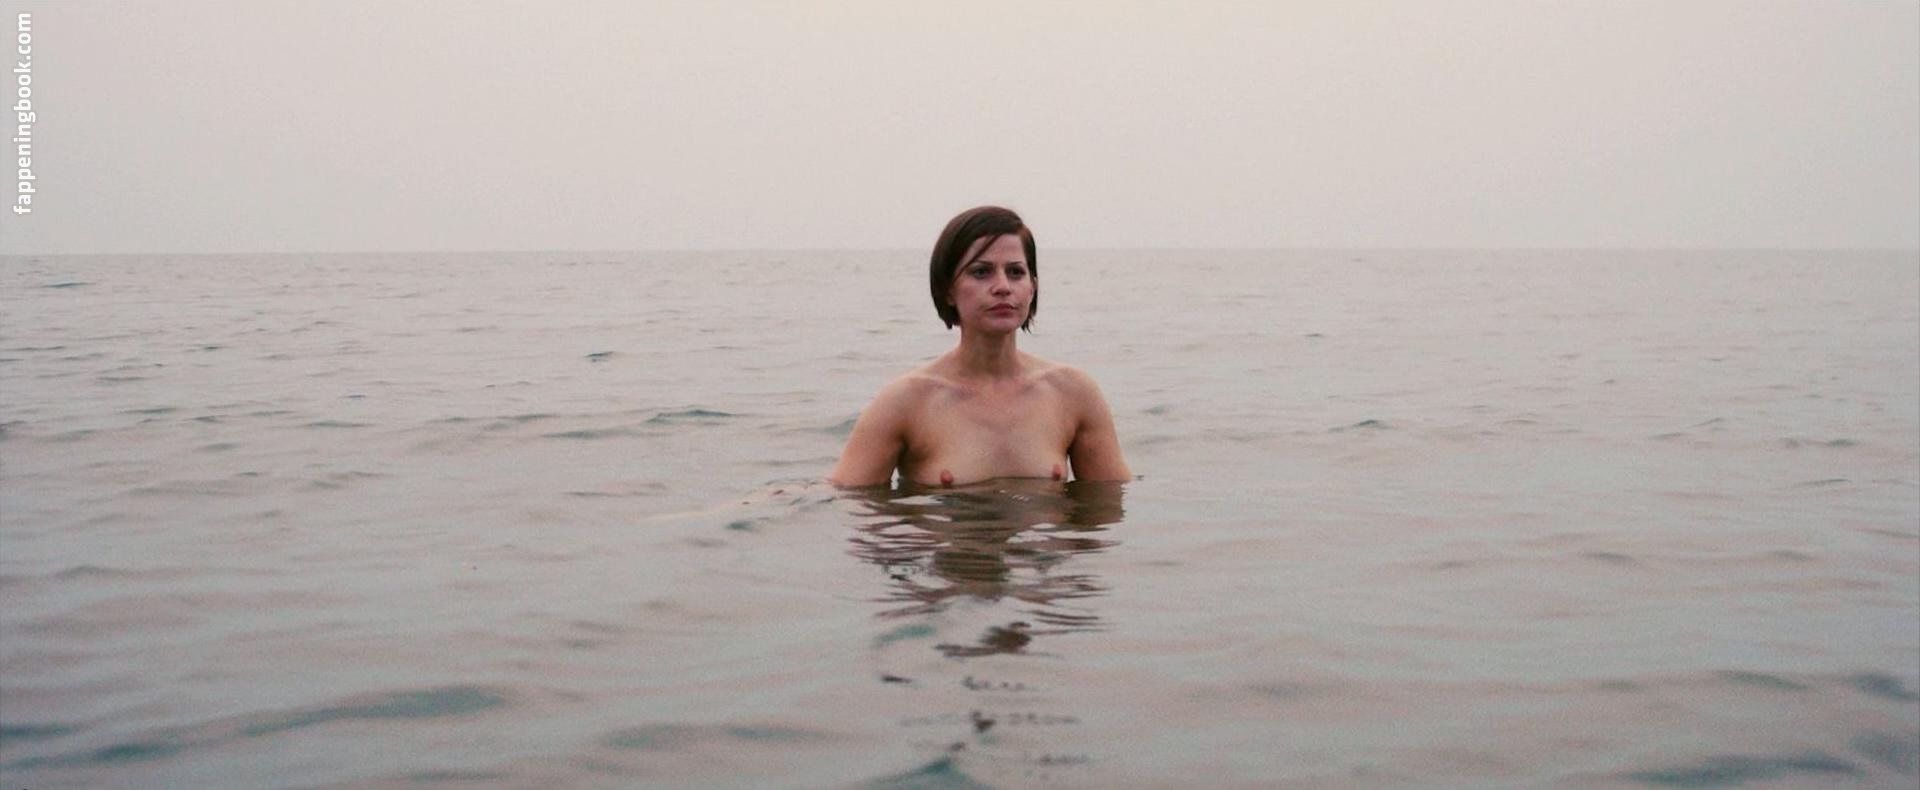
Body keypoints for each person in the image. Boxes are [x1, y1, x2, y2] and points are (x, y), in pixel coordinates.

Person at [829, 206, 1132, 488]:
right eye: (981, 272)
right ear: (948, 290)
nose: (1003, 287)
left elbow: (1107, 505)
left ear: (1033, 286)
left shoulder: (1073, 394)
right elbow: (850, 503)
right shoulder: (906, 402)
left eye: (1016, 272)